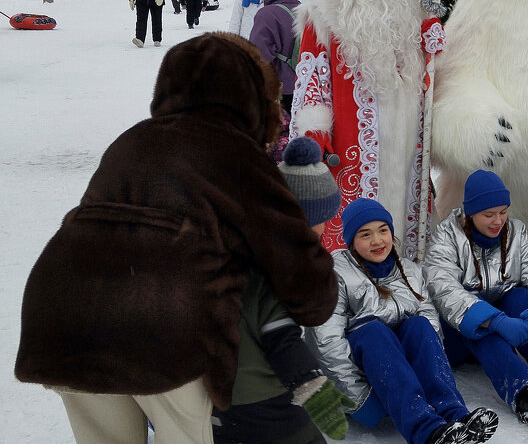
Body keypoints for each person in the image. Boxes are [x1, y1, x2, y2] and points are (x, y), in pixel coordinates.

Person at [15, 33, 338, 444]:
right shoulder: (237, 154)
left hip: (62, 317)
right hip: (161, 330)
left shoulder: (129, 142)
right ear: (254, 98)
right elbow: (304, 280)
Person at [290, 0, 436, 255]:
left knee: (402, 219)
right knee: (353, 228)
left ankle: (402, 270)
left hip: (406, 144)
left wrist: (434, 50)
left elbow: (430, 85)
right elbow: (313, 79)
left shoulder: (418, 12)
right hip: (350, 145)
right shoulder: (324, 10)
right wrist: (315, 137)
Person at [311, 197, 500, 444]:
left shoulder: (409, 271)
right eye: (365, 234)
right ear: (352, 243)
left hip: (405, 375)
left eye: (383, 231)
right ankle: (427, 431)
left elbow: (430, 326)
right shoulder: (336, 275)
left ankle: (456, 417)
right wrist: (359, 398)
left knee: (419, 325)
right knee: (372, 331)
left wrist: (428, 369)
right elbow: (327, 344)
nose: (377, 241)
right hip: (366, 377)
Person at [213, 136, 355, 444]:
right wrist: (315, 390)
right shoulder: (277, 270)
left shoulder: (240, 245)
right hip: (258, 394)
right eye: (320, 222)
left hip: (219, 390)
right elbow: (281, 340)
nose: (324, 230)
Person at [424, 170, 528, 423]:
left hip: (500, 316)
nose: (498, 221)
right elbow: (446, 291)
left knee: (523, 296)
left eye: (503, 212)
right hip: (455, 335)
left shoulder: (515, 231)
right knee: (477, 318)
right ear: (470, 213)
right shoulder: (446, 237)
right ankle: (523, 390)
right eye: (488, 215)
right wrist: (497, 321)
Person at [248, 0, 300, 116]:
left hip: (280, 92)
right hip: (305, 88)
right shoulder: (305, 9)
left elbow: (259, 58)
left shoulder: (267, 15)